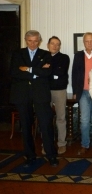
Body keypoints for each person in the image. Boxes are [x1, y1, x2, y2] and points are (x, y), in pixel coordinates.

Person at [10, 30, 58, 167]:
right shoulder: (17, 54)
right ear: (26, 40)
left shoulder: (46, 54)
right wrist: (36, 72)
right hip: (22, 94)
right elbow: (14, 72)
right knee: (25, 126)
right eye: (30, 40)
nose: (33, 43)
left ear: (40, 41)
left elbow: (47, 72)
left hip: (40, 94)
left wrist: (27, 69)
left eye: (35, 41)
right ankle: (30, 155)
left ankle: (51, 155)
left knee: (46, 125)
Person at [72, 32, 92, 156]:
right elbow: (74, 74)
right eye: (86, 41)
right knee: (84, 120)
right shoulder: (78, 56)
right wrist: (74, 92)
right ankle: (84, 144)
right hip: (82, 92)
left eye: (91, 41)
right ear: (83, 42)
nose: (89, 43)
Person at [47, 36, 70, 155]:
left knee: (61, 118)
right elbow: (40, 72)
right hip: (45, 91)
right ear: (48, 45)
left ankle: (61, 144)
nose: (55, 46)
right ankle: (46, 143)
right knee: (46, 118)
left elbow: (61, 72)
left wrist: (48, 70)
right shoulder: (43, 57)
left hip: (60, 91)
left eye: (57, 44)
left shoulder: (64, 57)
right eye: (52, 44)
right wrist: (52, 72)